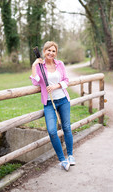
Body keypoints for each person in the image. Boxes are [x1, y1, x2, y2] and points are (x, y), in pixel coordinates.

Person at [30, 41, 75, 171]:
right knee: (52, 131)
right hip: (49, 103)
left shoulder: (60, 64)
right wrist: (34, 66)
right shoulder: (40, 66)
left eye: (53, 51)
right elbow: (35, 82)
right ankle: (62, 159)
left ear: (56, 53)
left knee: (66, 127)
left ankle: (70, 155)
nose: (51, 53)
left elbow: (66, 80)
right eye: (48, 50)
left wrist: (56, 85)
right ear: (44, 52)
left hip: (63, 100)